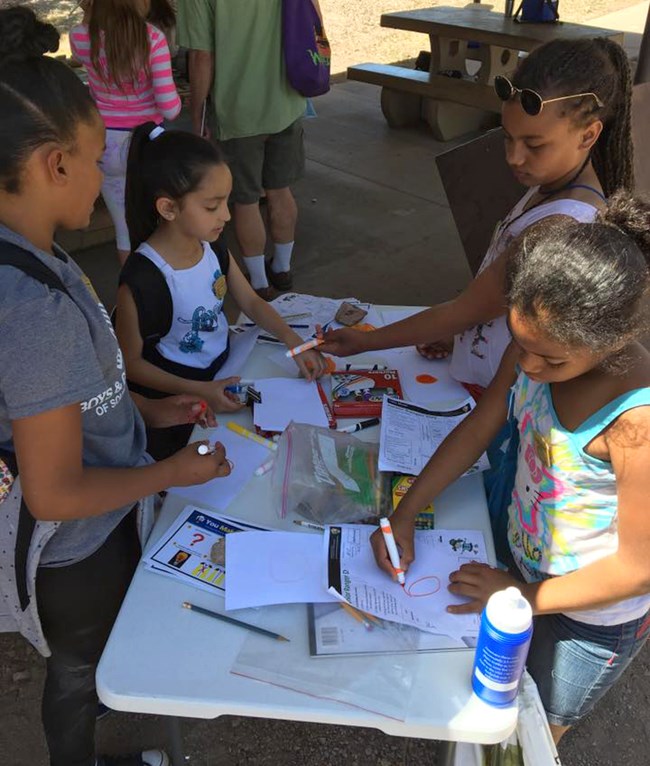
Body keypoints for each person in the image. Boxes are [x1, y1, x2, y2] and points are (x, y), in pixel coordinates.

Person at [0, 8, 229, 766]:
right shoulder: (31, 305)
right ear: (52, 165)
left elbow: (70, 393)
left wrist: (148, 406)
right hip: (78, 550)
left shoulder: (36, 255)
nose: (105, 178)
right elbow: (56, 492)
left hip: (95, 523)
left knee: (96, 665)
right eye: (98, 158)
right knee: (81, 670)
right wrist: (169, 471)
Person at [371, 192, 650, 745]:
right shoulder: (533, 350)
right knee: (494, 691)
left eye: (550, 359)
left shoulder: (636, 422)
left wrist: (522, 597)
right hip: (520, 564)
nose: (527, 366)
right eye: (520, 345)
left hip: (590, 618)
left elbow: (637, 568)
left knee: (539, 720)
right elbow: (480, 425)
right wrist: (404, 514)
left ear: (613, 340)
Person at [318, 37, 634, 394]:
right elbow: (488, 309)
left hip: (500, 399)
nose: (514, 157)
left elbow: (465, 310)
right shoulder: (549, 184)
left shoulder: (559, 228)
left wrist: (365, 343)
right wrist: (460, 339)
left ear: (588, 134)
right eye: (508, 138)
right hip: (482, 376)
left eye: (533, 144)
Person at [115, 123, 327, 459]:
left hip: (224, 371)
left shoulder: (210, 245)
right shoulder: (144, 280)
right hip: (179, 403)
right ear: (168, 208)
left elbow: (252, 302)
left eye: (227, 202)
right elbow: (130, 364)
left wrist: (292, 341)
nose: (227, 216)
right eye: (212, 206)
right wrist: (200, 390)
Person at [176, 0, 306, 300]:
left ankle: (259, 283)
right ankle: (283, 269)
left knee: (245, 201)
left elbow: (200, 56)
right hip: (287, 98)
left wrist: (198, 112)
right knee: (280, 190)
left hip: (237, 111)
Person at [70, 0, 182, 265]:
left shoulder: (79, 35)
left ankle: (131, 293)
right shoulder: (153, 38)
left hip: (104, 143)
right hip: (145, 146)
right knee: (157, 221)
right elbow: (170, 108)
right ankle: (160, 286)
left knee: (123, 227)